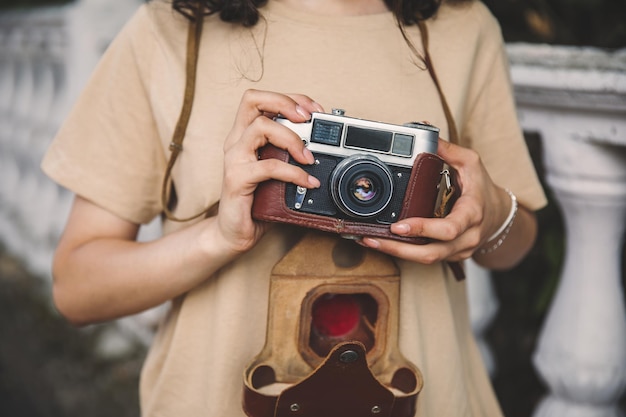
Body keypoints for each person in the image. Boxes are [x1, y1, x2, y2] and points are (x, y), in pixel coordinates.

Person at [41, 0, 547, 415]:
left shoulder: (461, 27)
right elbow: (78, 289)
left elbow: (513, 247)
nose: (362, 183)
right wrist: (219, 238)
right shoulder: (173, 30)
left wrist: (493, 213)